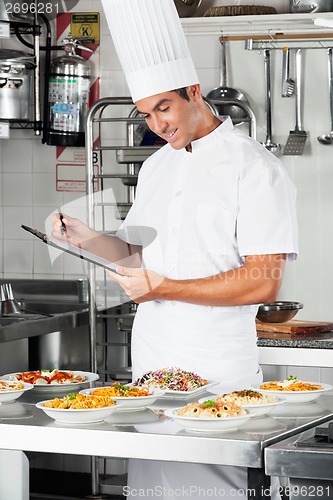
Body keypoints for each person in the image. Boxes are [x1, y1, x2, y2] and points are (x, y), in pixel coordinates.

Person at [51, 1, 298, 498]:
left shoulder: (256, 169)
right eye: (146, 114)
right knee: (151, 490)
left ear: (193, 91)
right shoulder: (155, 168)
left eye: (164, 107)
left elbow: (263, 281)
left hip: (217, 376)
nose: (158, 124)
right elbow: (138, 255)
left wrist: (165, 287)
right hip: (151, 371)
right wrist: (84, 236)